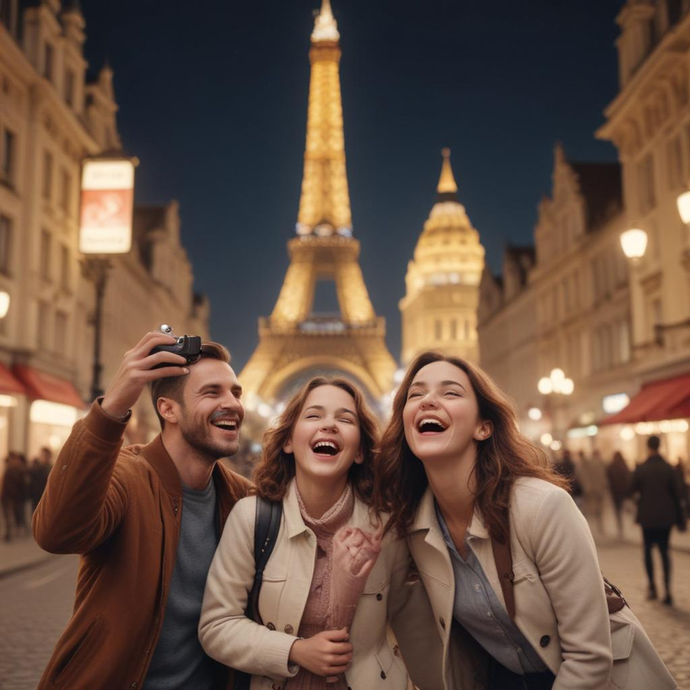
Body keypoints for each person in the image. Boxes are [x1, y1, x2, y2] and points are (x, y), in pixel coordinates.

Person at [373, 351, 668, 690]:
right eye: (416, 394)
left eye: (450, 392)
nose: (428, 401)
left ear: (484, 427)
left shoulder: (543, 507)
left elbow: (590, 658)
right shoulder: (413, 526)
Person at [33, 331, 251, 689]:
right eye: (212, 392)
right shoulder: (127, 477)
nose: (233, 403)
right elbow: (56, 533)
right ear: (169, 409)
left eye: (235, 392)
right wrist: (111, 410)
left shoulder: (244, 499)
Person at [199, 377, 441, 689]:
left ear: (359, 452)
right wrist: (295, 650)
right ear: (288, 441)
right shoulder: (251, 518)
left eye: (345, 419)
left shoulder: (387, 528)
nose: (329, 425)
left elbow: (416, 628)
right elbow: (217, 626)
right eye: (313, 415)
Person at [630, 436, 686, 606]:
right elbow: (677, 495)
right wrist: (680, 519)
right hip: (665, 517)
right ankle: (668, 590)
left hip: (647, 517)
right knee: (664, 551)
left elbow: (631, 490)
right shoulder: (668, 468)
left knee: (647, 550)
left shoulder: (641, 468)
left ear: (648, 447)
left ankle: (652, 587)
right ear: (659, 446)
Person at [578, 449, 607, 534]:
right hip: (599, 489)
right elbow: (603, 477)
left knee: (588, 509)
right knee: (599, 510)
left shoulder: (589, 463)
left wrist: (586, 487)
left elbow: (582, 475)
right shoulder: (601, 463)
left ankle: (587, 528)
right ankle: (600, 527)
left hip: (590, 490)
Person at [607, 451, 632, 540]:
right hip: (623, 492)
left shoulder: (611, 466)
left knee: (618, 511)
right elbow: (628, 478)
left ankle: (620, 528)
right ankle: (623, 528)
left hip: (615, 492)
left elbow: (608, 479)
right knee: (623, 510)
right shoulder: (624, 466)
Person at [29, 446, 53, 512]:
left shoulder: (51, 468)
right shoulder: (35, 468)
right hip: (36, 496)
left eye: (46, 456)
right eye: (42, 455)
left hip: (47, 496)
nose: (44, 457)